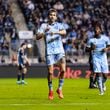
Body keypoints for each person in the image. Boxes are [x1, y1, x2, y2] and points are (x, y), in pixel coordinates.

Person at [36, 9, 66, 100]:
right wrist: (45, 32)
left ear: (56, 17)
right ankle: (51, 90)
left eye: (54, 15)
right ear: (48, 16)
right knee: (50, 72)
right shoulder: (43, 25)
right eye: (51, 15)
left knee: (63, 70)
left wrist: (56, 32)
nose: (52, 16)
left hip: (59, 50)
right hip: (49, 51)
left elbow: (64, 32)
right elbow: (37, 37)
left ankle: (59, 89)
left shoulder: (59, 25)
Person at [86, 23, 110, 95]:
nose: (95, 30)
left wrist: (106, 49)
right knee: (99, 74)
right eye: (95, 29)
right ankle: (101, 91)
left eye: (97, 29)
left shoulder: (105, 38)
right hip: (95, 57)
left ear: (100, 30)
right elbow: (86, 49)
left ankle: (103, 83)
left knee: (105, 76)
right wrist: (91, 48)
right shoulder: (91, 40)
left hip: (103, 58)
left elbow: (109, 46)